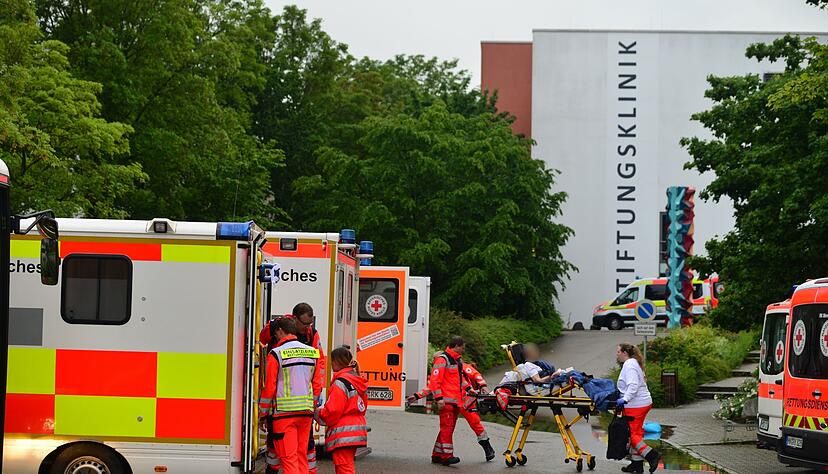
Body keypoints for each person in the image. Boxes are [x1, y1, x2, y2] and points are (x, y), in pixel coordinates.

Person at [259, 303, 326, 473]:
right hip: (305, 412)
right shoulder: (312, 352)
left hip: (283, 414)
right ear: (294, 322)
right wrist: (314, 402)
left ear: (280, 332)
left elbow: (269, 388)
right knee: (301, 456)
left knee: (289, 459)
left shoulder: (276, 353)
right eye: (305, 324)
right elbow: (317, 381)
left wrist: (262, 413)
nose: (308, 328)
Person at [408, 360, 496, 461]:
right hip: (454, 401)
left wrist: (483, 385)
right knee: (448, 429)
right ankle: (437, 453)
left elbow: (475, 374)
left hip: (466, 400)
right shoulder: (443, 370)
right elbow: (432, 386)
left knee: (474, 423)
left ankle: (487, 448)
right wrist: (417, 396)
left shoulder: (462, 366)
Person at [315, 347, 368, 474]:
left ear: (337, 362)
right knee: (345, 466)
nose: (331, 364)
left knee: (344, 467)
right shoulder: (357, 380)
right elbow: (363, 406)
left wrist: (317, 413)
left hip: (344, 432)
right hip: (357, 429)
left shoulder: (340, 382)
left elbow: (333, 411)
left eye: (332, 361)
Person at [615, 343, 661, 473]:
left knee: (631, 434)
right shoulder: (634, 363)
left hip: (635, 405)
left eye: (618, 351)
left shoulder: (629, 365)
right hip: (642, 402)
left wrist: (625, 399)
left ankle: (652, 455)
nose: (617, 354)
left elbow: (633, 385)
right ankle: (636, 464)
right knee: (637, 433)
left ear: (625, 353)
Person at [427, 336, 466, 465]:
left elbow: (459, 380)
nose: (464, 349)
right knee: (447, 429)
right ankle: (447, 456)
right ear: (457, 346)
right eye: (463, 347)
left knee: (447, 429)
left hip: (454, 401)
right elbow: (435, 381)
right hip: (446, 401)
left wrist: (470, 389)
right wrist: (439, 399)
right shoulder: (443, 359)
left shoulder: (456, 360)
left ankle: (437, 454)